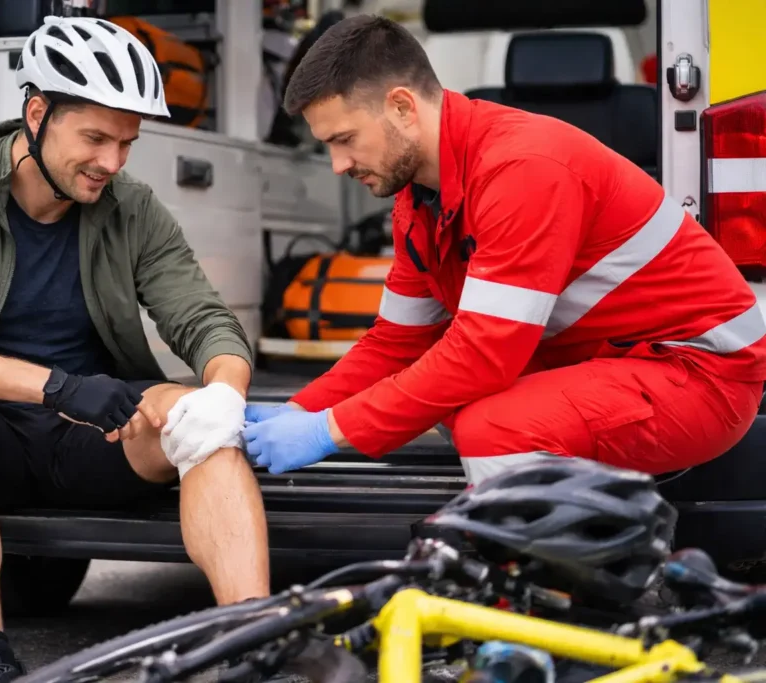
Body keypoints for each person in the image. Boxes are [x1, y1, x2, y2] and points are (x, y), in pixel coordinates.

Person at [0, 16, 269, 683]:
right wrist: (56, 385)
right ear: (37, 113)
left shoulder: (131, 208)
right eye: (96, 138)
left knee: (199, 414)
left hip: (96, 432)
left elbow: (205, 320)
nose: (112, 162)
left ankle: (252, 646)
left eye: (126, 142)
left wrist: (225, 391)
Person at [242, 15, 766, 484]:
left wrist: (327, 431)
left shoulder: (522, 168)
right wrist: (299, 409)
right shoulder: (420, 201)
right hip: (618, 360)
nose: (337, 164)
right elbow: (394, 344)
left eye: (345, 139)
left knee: (492, 426)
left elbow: (482, 355)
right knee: (446, 401)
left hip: (700, 374)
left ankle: (554, 583)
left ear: (401, 106)